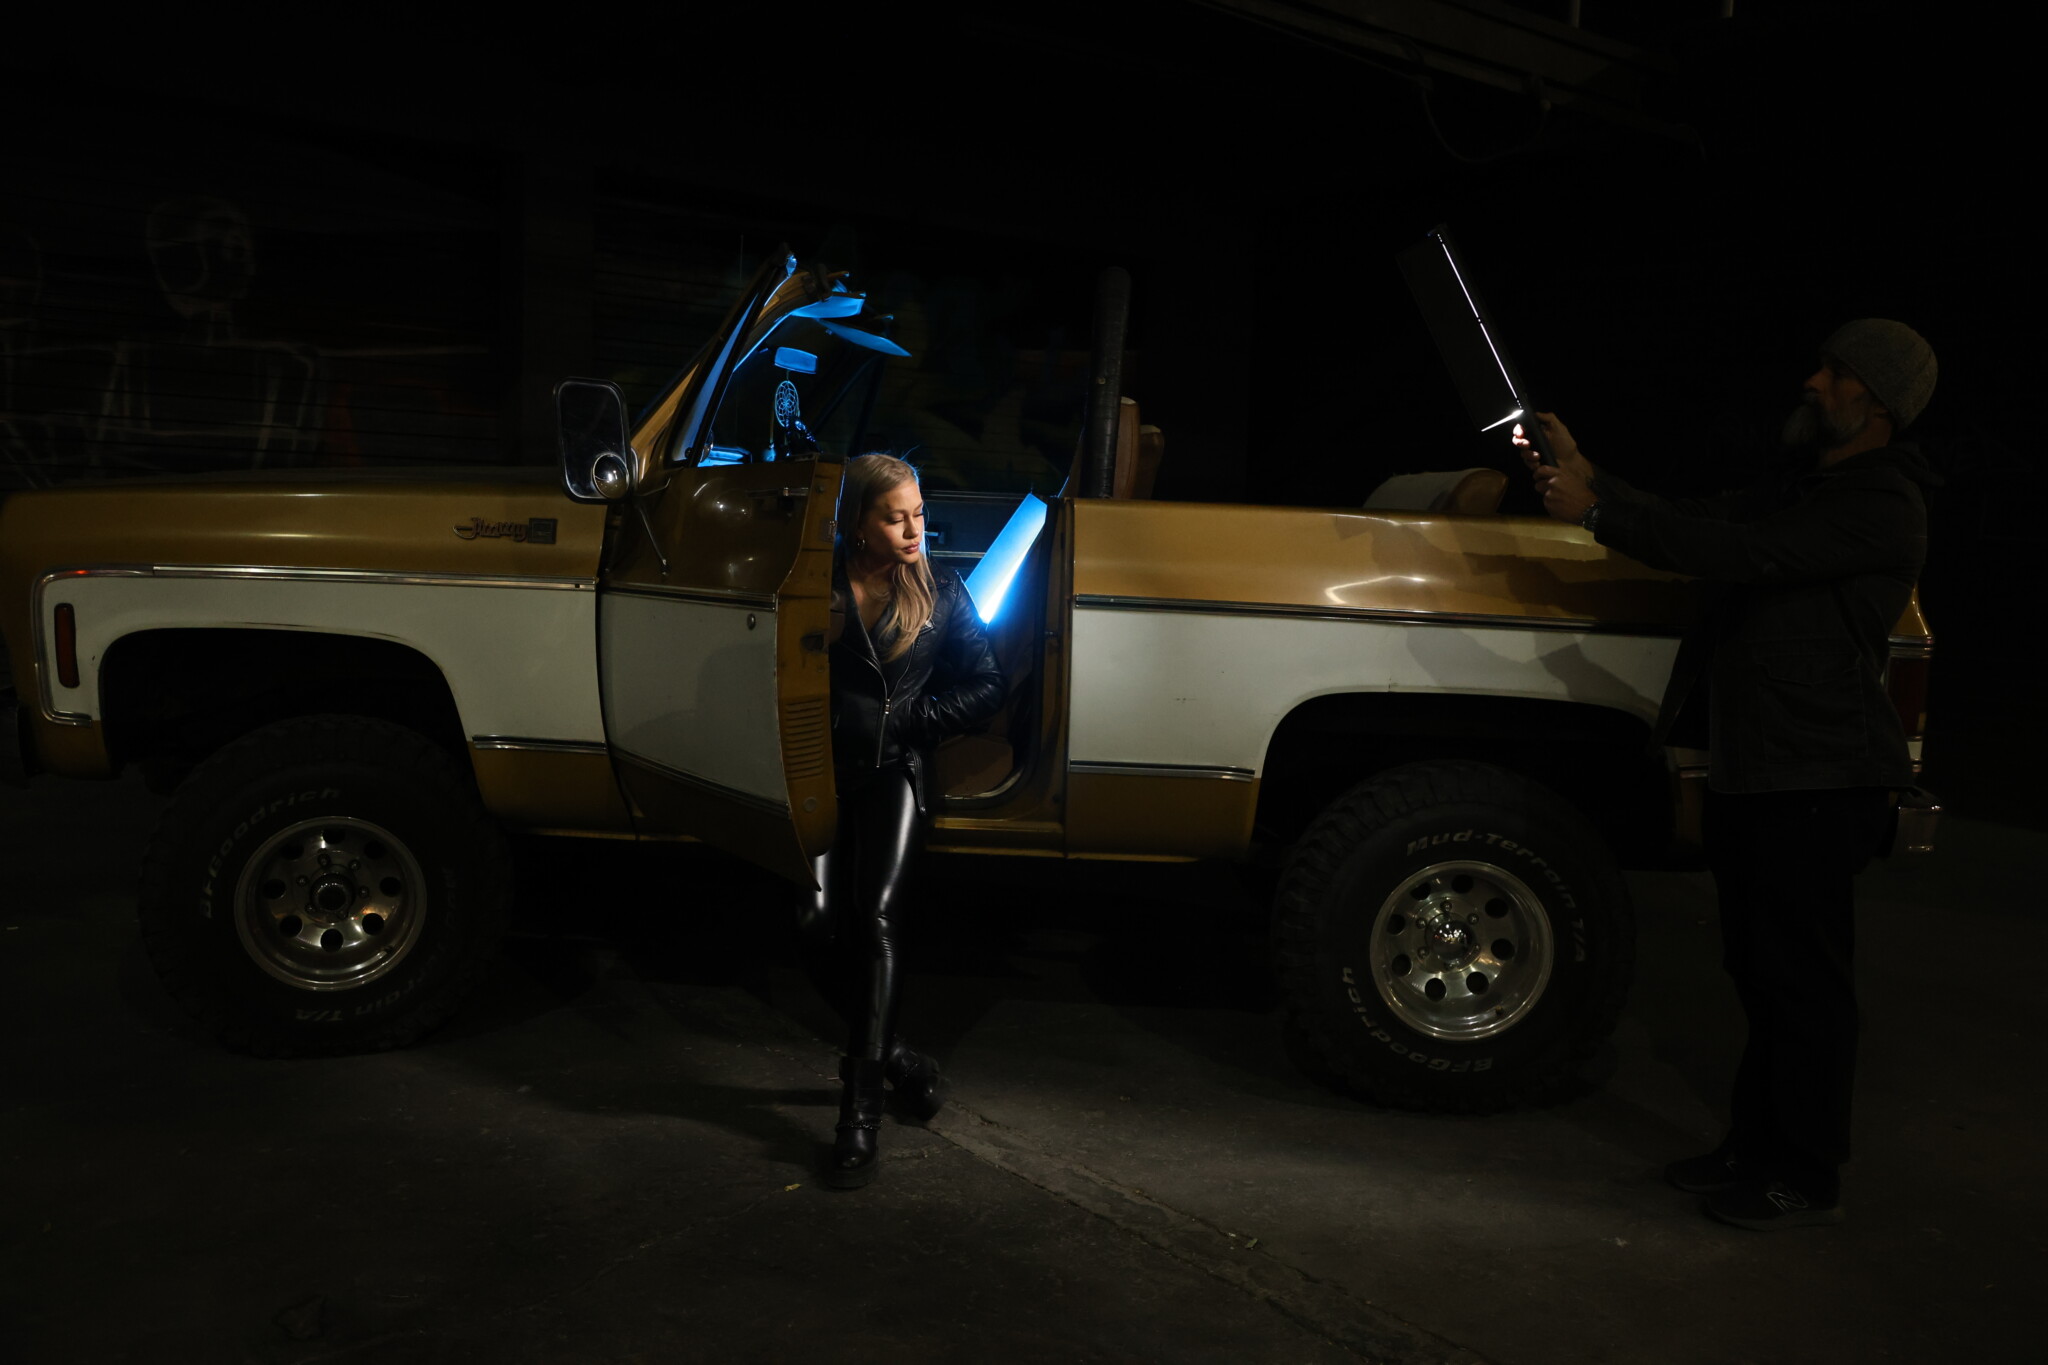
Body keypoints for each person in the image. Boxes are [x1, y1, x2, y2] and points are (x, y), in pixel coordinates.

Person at [1514, 319, 1938, 1230]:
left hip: (1821, 778)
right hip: (1766, 768)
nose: (1814, 381)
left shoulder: (1880, 504)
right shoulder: (1806, 490)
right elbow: (1703, 519)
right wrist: (1591, 474)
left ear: (1877, 400)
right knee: (1757, 970)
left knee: (1805, 984)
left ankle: (1807, 1171)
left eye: (1836, 372)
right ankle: (1754, 1145)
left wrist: (1593, 511)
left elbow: (1737, 555)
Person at [802, 452, 1003, 1189]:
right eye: (896, 515)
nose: (916, 527)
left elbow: (989, 682)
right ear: (858, 522)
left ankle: (858, 1116)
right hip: (818, 770)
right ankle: (902, 1061)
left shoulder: (942, 592)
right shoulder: (814, 583)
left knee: (876, 917)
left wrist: (918, 717)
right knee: (813, 924)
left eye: (919, 512)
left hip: (895, 771)